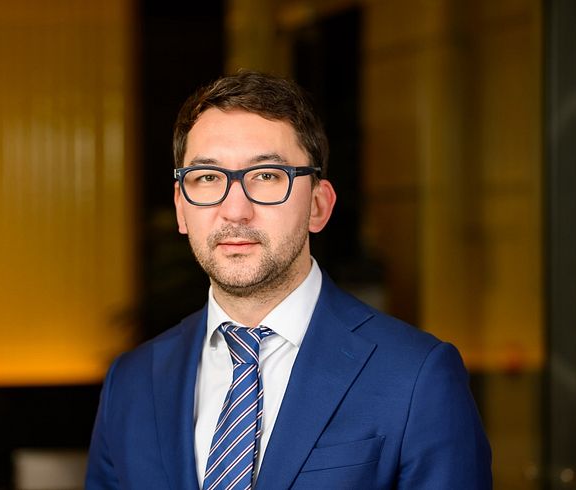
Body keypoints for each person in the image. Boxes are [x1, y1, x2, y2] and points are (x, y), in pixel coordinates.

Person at [85, 71, 492, 489]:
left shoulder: (416, 376)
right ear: (180, 208)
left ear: (318, 205)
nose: (235, 210)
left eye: (267, 176)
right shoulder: (131, 384)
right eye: (207, 177)